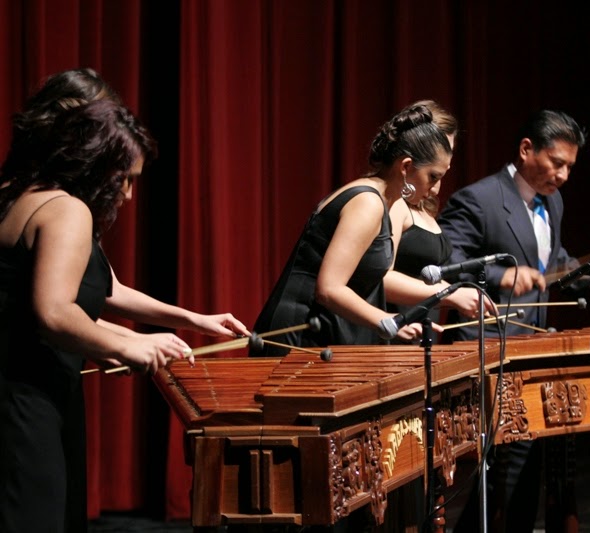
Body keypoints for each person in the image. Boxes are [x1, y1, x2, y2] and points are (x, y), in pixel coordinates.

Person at [0, 93, 250, 532]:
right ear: (96, 164)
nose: (129, 194)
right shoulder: (67, 211)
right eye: (123, 179)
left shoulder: (24, 194)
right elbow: (54, 312)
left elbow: (99, 291)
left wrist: (184, 322)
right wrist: (129, 344)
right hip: (28, 396)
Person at [437, 109, 590, 532]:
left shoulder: (553, 202)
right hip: (486, 349)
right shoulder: (480, 199)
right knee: (500, 474)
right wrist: (501, 275)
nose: (563, 175)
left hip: (532, 350)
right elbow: (444, 267)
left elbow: (554, 264)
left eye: (569, 167)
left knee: (522, 474)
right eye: (556, 163)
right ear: (527, 150)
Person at [251, 101, 454, 356]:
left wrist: (395, 321)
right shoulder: (368, 202)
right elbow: (329, 288)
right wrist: (385, 320)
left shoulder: (379, 200)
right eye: (433, 177)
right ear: (405, 166)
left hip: (319, 331)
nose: (435, 188)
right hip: (296, 335)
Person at [385, 100, 491, 330]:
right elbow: (382, 277)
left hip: (420, 335)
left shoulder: (424, 206)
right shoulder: (394, 204)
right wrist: (449, 294)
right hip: (392, 332)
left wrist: (458, 292)